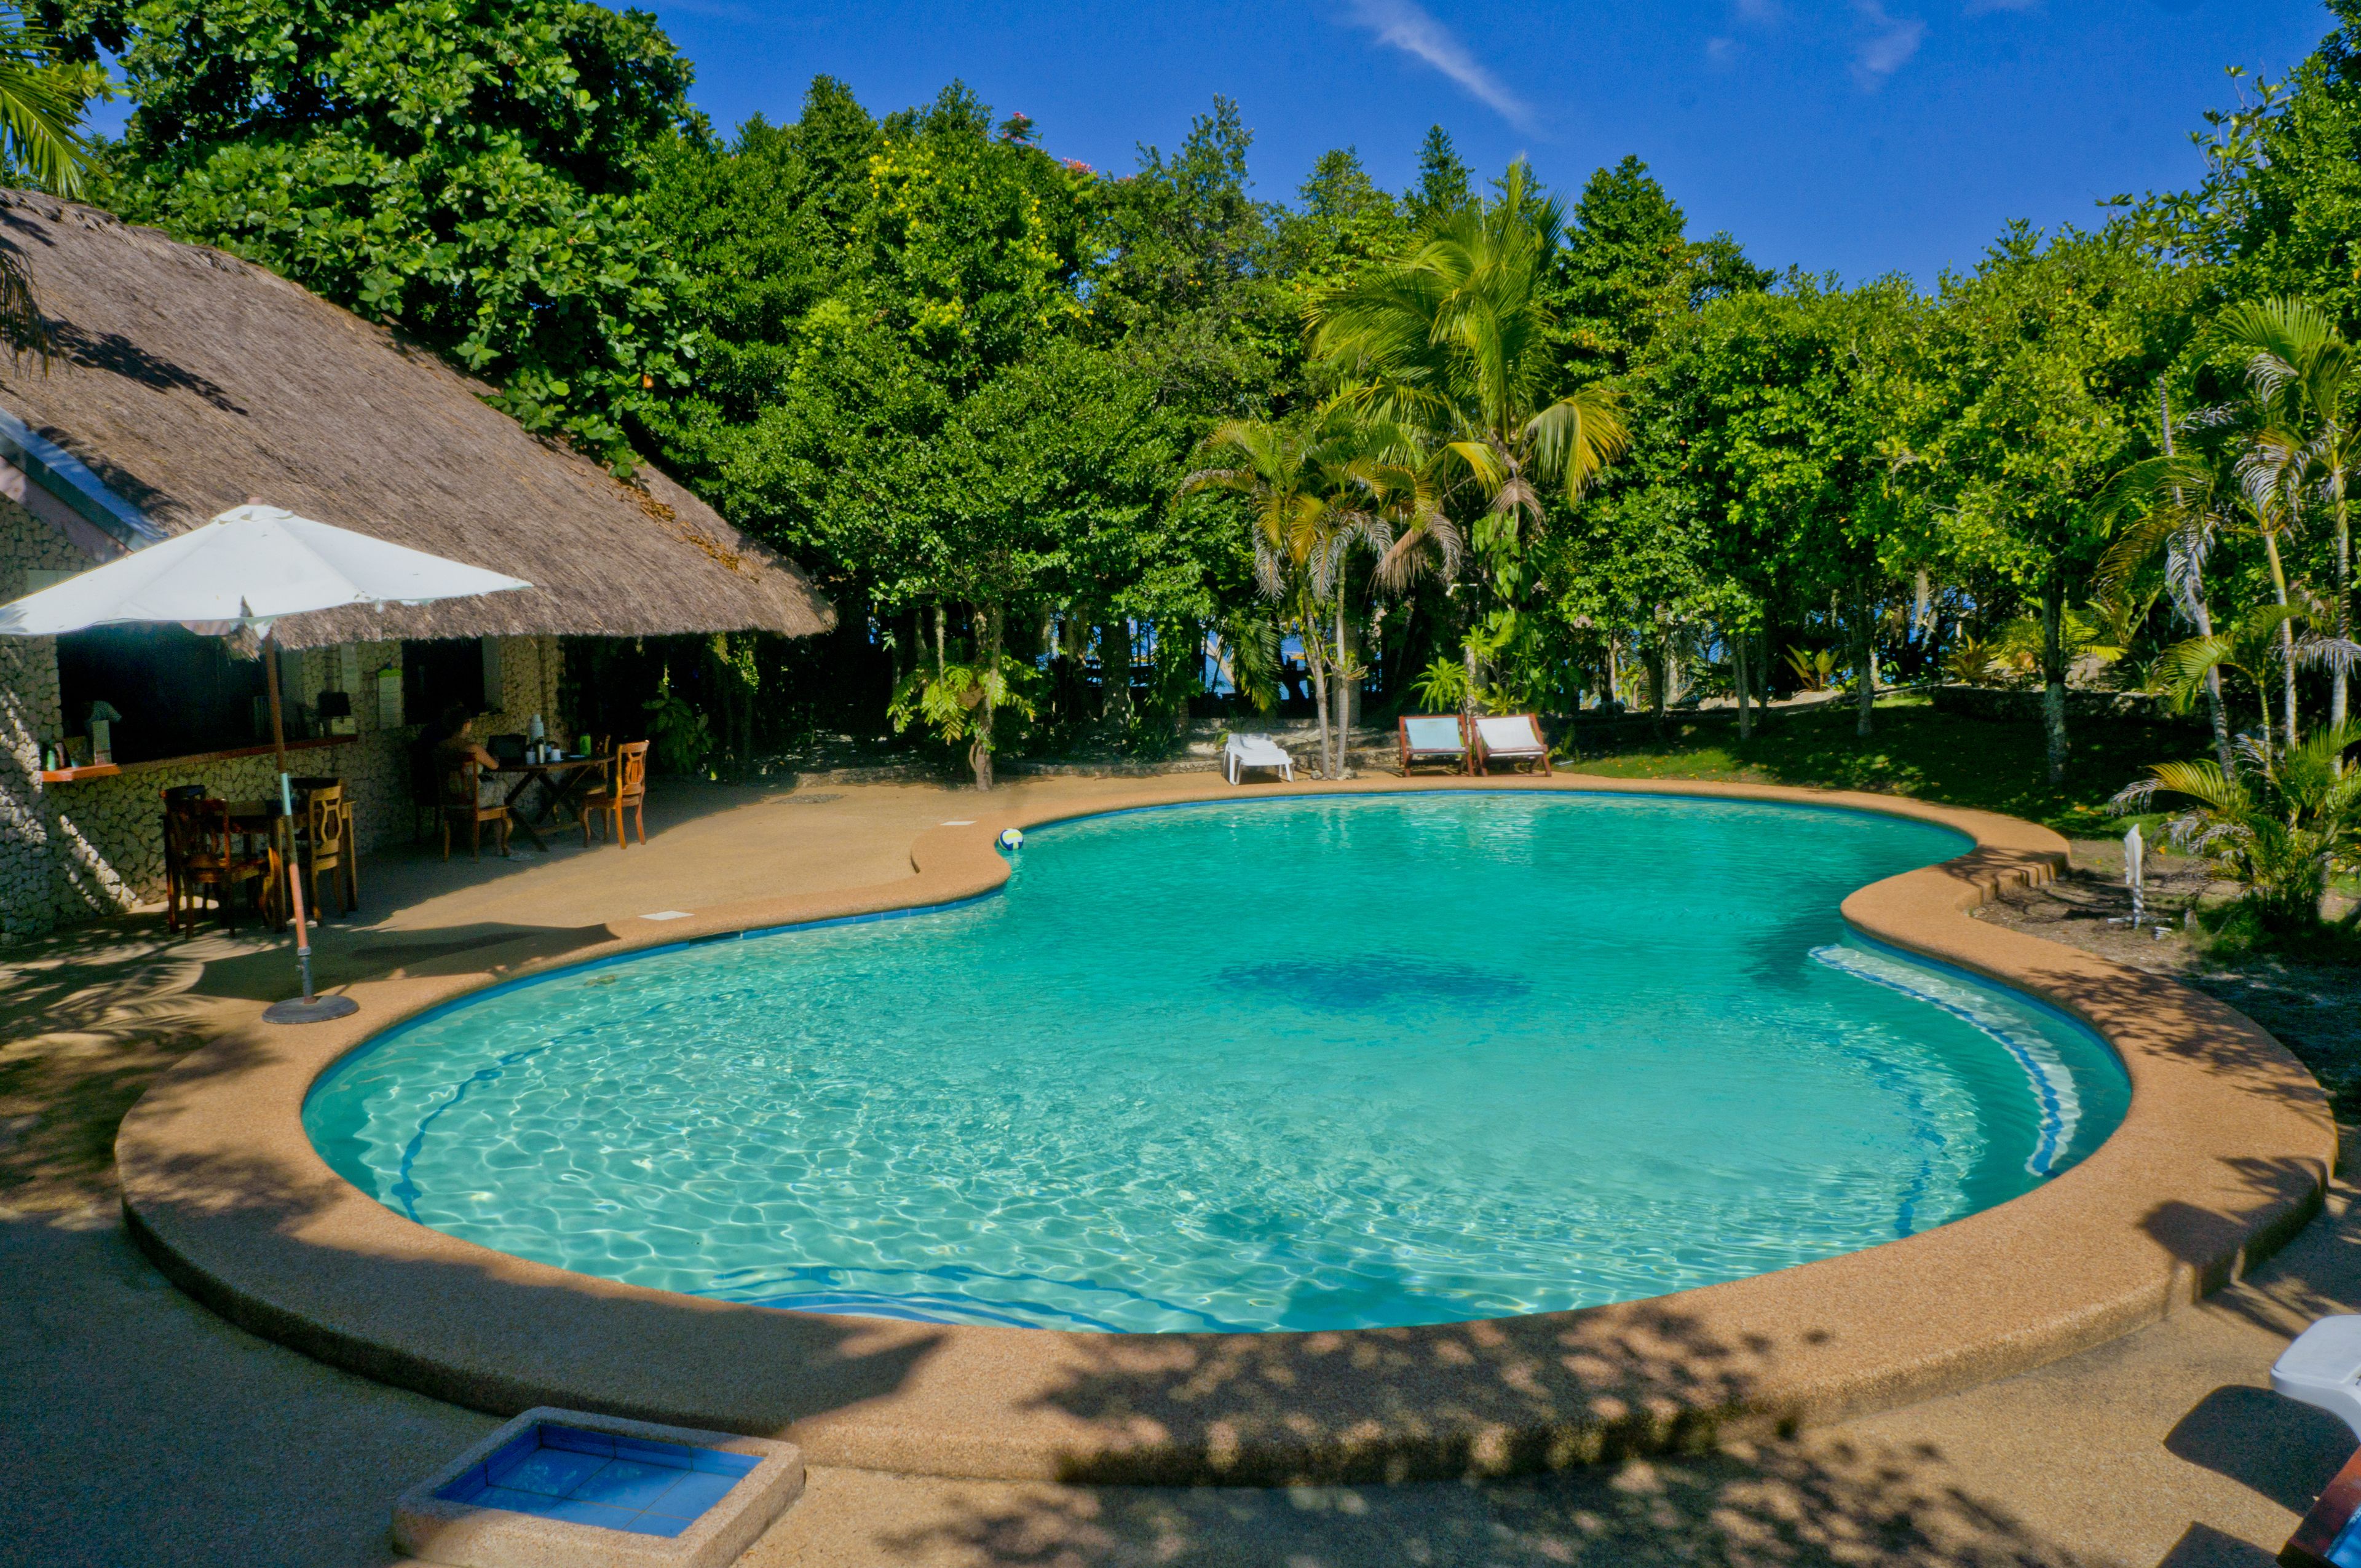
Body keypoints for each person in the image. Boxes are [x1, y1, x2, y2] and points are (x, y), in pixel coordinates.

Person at [433, 705, 503, 809]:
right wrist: (494, 759)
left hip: (449, 799)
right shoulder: (472, 748)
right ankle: (497, 818)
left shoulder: (440, 747)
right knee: (500, 785)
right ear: (466, 724)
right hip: (472, 799)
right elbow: (495, 766)